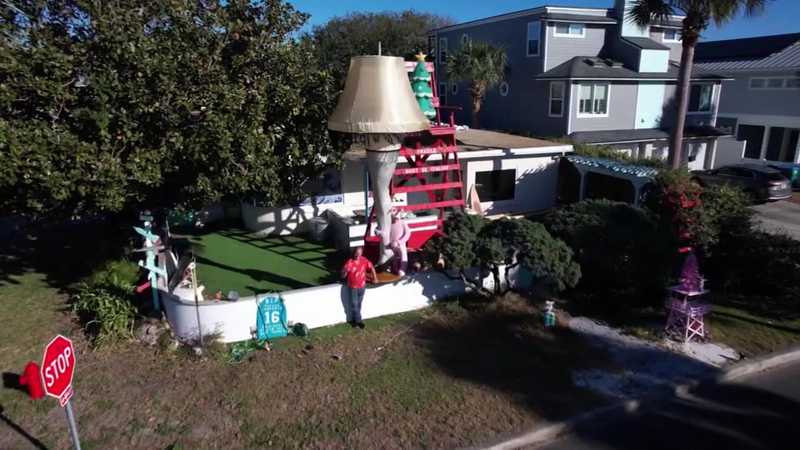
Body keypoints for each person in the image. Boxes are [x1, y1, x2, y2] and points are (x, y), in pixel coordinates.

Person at [341, 246, 377, 329]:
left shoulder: (364, 260)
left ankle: (355, 320)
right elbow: (343, 275)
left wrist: (375, 278)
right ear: (354, 253)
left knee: (359, 304)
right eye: (356, 253)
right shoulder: (350, 262)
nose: (357, 255)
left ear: (361, 253)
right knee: (354, 304)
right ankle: (358, 321)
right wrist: (344, 272)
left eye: (359, 253)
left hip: (362, 286)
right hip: (353, 287)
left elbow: (371, 267)